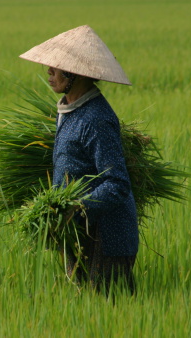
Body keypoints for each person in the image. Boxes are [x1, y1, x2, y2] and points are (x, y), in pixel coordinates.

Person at [19, 25, 139, 295]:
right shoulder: (70, 110)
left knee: (110, 314)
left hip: (107, 238)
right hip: (79, 234)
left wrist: (77, 208)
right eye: (48, 67)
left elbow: (117, 183)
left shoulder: (96, 119)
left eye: (56, 67)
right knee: (85, 311)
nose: (49, 72)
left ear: (75, 74)